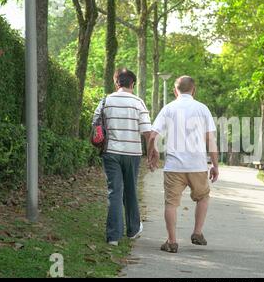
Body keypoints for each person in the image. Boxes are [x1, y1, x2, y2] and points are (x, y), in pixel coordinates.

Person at [148, 76, 219, 253]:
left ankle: (171, 242)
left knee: (171, 204)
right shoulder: (202, 109)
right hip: (198, 166)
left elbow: (152, 135)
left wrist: (153, 154)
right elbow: (210, 139)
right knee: (203, 197)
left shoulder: (168, 108)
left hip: (174, 167)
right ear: (193, 90)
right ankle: (197, 232)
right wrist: (215, 165)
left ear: (175, 90)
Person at [92, 68, 152, 246]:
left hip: (111, 152)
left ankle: (113, 237)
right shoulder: (138, 102)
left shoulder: (105, 101)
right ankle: (133, 230)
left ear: (116, 82)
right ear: (132, 84)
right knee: (131, 190)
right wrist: (151, 153)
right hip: (132, 154)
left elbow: (95, 124)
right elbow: (147, 131)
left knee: (114, 192)